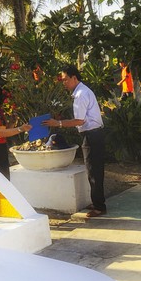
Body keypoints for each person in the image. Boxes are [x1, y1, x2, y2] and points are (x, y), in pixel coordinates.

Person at [46, 65, 106, 219]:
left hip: (92, 135)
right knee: (94, 169)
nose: (64, 83)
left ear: (74, 78)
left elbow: (79, 120)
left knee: (94, 171)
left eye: (66, 79)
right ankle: (97, 202)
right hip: (94, 134)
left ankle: (99, 207)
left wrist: (57, 124)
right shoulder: (82, 91)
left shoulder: (80, 94)